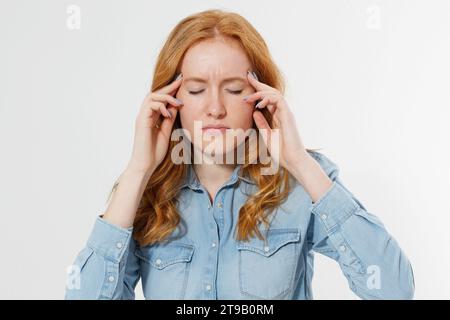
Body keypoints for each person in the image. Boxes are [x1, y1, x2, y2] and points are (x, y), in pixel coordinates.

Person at [65, 9, 414, 300]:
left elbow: (395, 291)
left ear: (261, 95)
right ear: (171, 99)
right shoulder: (144, 192)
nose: (215, 108)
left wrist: (299, 163)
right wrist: (139, 170)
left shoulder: (300, 181)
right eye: (197, 89)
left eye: (234, 90)